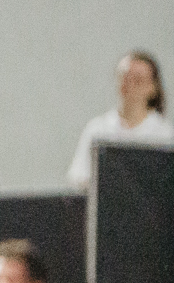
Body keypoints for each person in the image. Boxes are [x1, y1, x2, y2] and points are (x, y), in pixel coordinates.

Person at [66, 50, 173, 189]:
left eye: (138, 80)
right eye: (125, 77)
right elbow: (78, 176)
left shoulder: (165, 135)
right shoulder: (97, 128)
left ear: (153, 88)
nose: (129, 85)